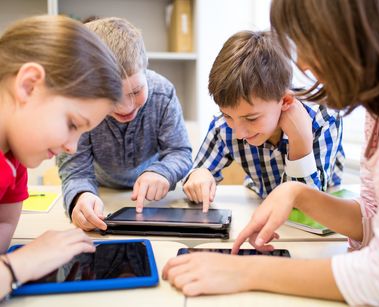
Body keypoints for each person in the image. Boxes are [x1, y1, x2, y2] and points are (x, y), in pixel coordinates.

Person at [163, 1, 379, 305]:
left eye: (305, 42)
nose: (301, 65)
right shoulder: (377, 109)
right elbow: (371, 218)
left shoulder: (375, 105)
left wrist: (247, 271)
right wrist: (296, 193)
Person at [0, 15, 122, 300]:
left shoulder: (14, 160)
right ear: (29, 85)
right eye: (72, 124)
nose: (73, 147)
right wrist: (21, 264)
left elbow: (5, 226)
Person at [183, 30, 344, 212]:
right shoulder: (224, 127)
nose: (239, 133)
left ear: (285, 101)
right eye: (227, 115)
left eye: (251, 118)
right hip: (261, 204)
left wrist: (300, 139)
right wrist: (199, 175)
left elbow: (307, 205)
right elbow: (195, 173)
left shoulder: (323, 117)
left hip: (321, 217)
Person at [56, 17, 192, 232]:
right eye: (112, 97)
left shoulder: (163, 93)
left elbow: (180, 151)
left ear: (146, 69)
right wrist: (81, 197)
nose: (126, 106)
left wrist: (162, 172)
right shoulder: (81, 104)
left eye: (136, 91)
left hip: (155, 201)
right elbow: (76, 172)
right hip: (101, 195)